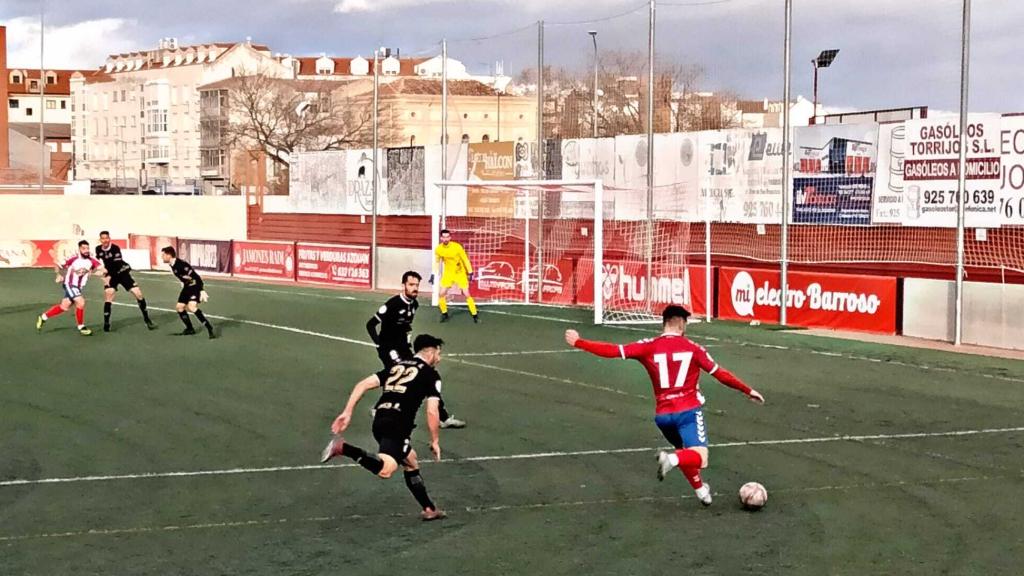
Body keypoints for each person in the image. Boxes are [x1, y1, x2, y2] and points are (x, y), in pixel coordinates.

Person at [564, 305, 765, 506]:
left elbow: (613, 350)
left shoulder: (648, 346)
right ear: (681, 323)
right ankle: (672, 460)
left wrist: (580, 342)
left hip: (663, 416)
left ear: (665, 322)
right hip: (688, 411)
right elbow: (720, 374)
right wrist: (747, 390)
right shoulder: (693, 348)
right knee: (699, 457)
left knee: (683, 450)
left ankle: (701, 491)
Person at [320, 334, 449, 521]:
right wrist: (435, 440)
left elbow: (363, 384)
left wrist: (347, 411)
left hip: (380, 420)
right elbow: (432, 411)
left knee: (410, 460)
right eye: (439, 353)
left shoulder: (396, 366)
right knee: (386, 470)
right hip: (398, 424)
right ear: (431, 351)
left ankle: (429, 509)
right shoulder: (431, 375)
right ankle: (343, 448)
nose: (440, 358)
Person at [366, 271, 466, 429]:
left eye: (417, 285)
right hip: (388, 349)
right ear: (403, 285)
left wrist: (407, 342)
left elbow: (406, 326)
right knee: (397, 373)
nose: (415, 288)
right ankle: (380, 409)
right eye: (411, 285)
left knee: (424, 373)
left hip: (404, 348)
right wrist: (379, 345)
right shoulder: (393, 304)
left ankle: (443, 418)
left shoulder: (414, 304)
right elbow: (370, 325)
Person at [36, 240, 105, 336]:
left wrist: (102, 273)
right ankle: (81, 327)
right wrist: (58, 274)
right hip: (70, 284)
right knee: (81, 302)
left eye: (87, 248)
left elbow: (102, 269)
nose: (86, 250)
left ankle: (43, 317)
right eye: (84, 248)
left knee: (64, 306)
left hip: (79, 287)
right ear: (79, 249)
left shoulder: (92, 260)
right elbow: (57, 265)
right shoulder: (73, 258)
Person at [95, 231, 155, 331]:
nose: (105, 240)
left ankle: (147, 319)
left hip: (122, 273)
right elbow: (97, 262)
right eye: (103, 238)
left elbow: (117, 264)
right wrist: (102, 274)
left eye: (107, 238)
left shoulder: (115, 248)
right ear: (100, 239)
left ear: (109, 238)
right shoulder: (98, 249)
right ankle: (106, 323)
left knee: (138, 294)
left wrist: (107, 274)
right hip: (111, 275)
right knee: (109, 294)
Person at [160, 246, 215, 339]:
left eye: (163, 255)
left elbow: (196, 277)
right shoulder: (172, 265)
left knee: (192, 307)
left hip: (194, 286)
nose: (162, 257)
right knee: (179, 307)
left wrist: (201, 290)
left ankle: (209, 327)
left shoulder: (182, 265)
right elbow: (183, 277)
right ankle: (190, 329)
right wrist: (183, 282)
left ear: (169, 255)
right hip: (187, 287)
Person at [430, 229, 478, 323]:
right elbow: (436, 262)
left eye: (447, 237)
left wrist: (470, 272)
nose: (446, 239)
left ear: (450, 237)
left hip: (460, 273)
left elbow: (465, 259)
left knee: (466, 293)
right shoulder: (439, 249)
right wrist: (433, 274)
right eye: (444, 237)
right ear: (441, 238)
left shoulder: (457, 247)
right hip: (448, 274)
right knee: (441, 293)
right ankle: (444, 314)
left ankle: (475, 314)